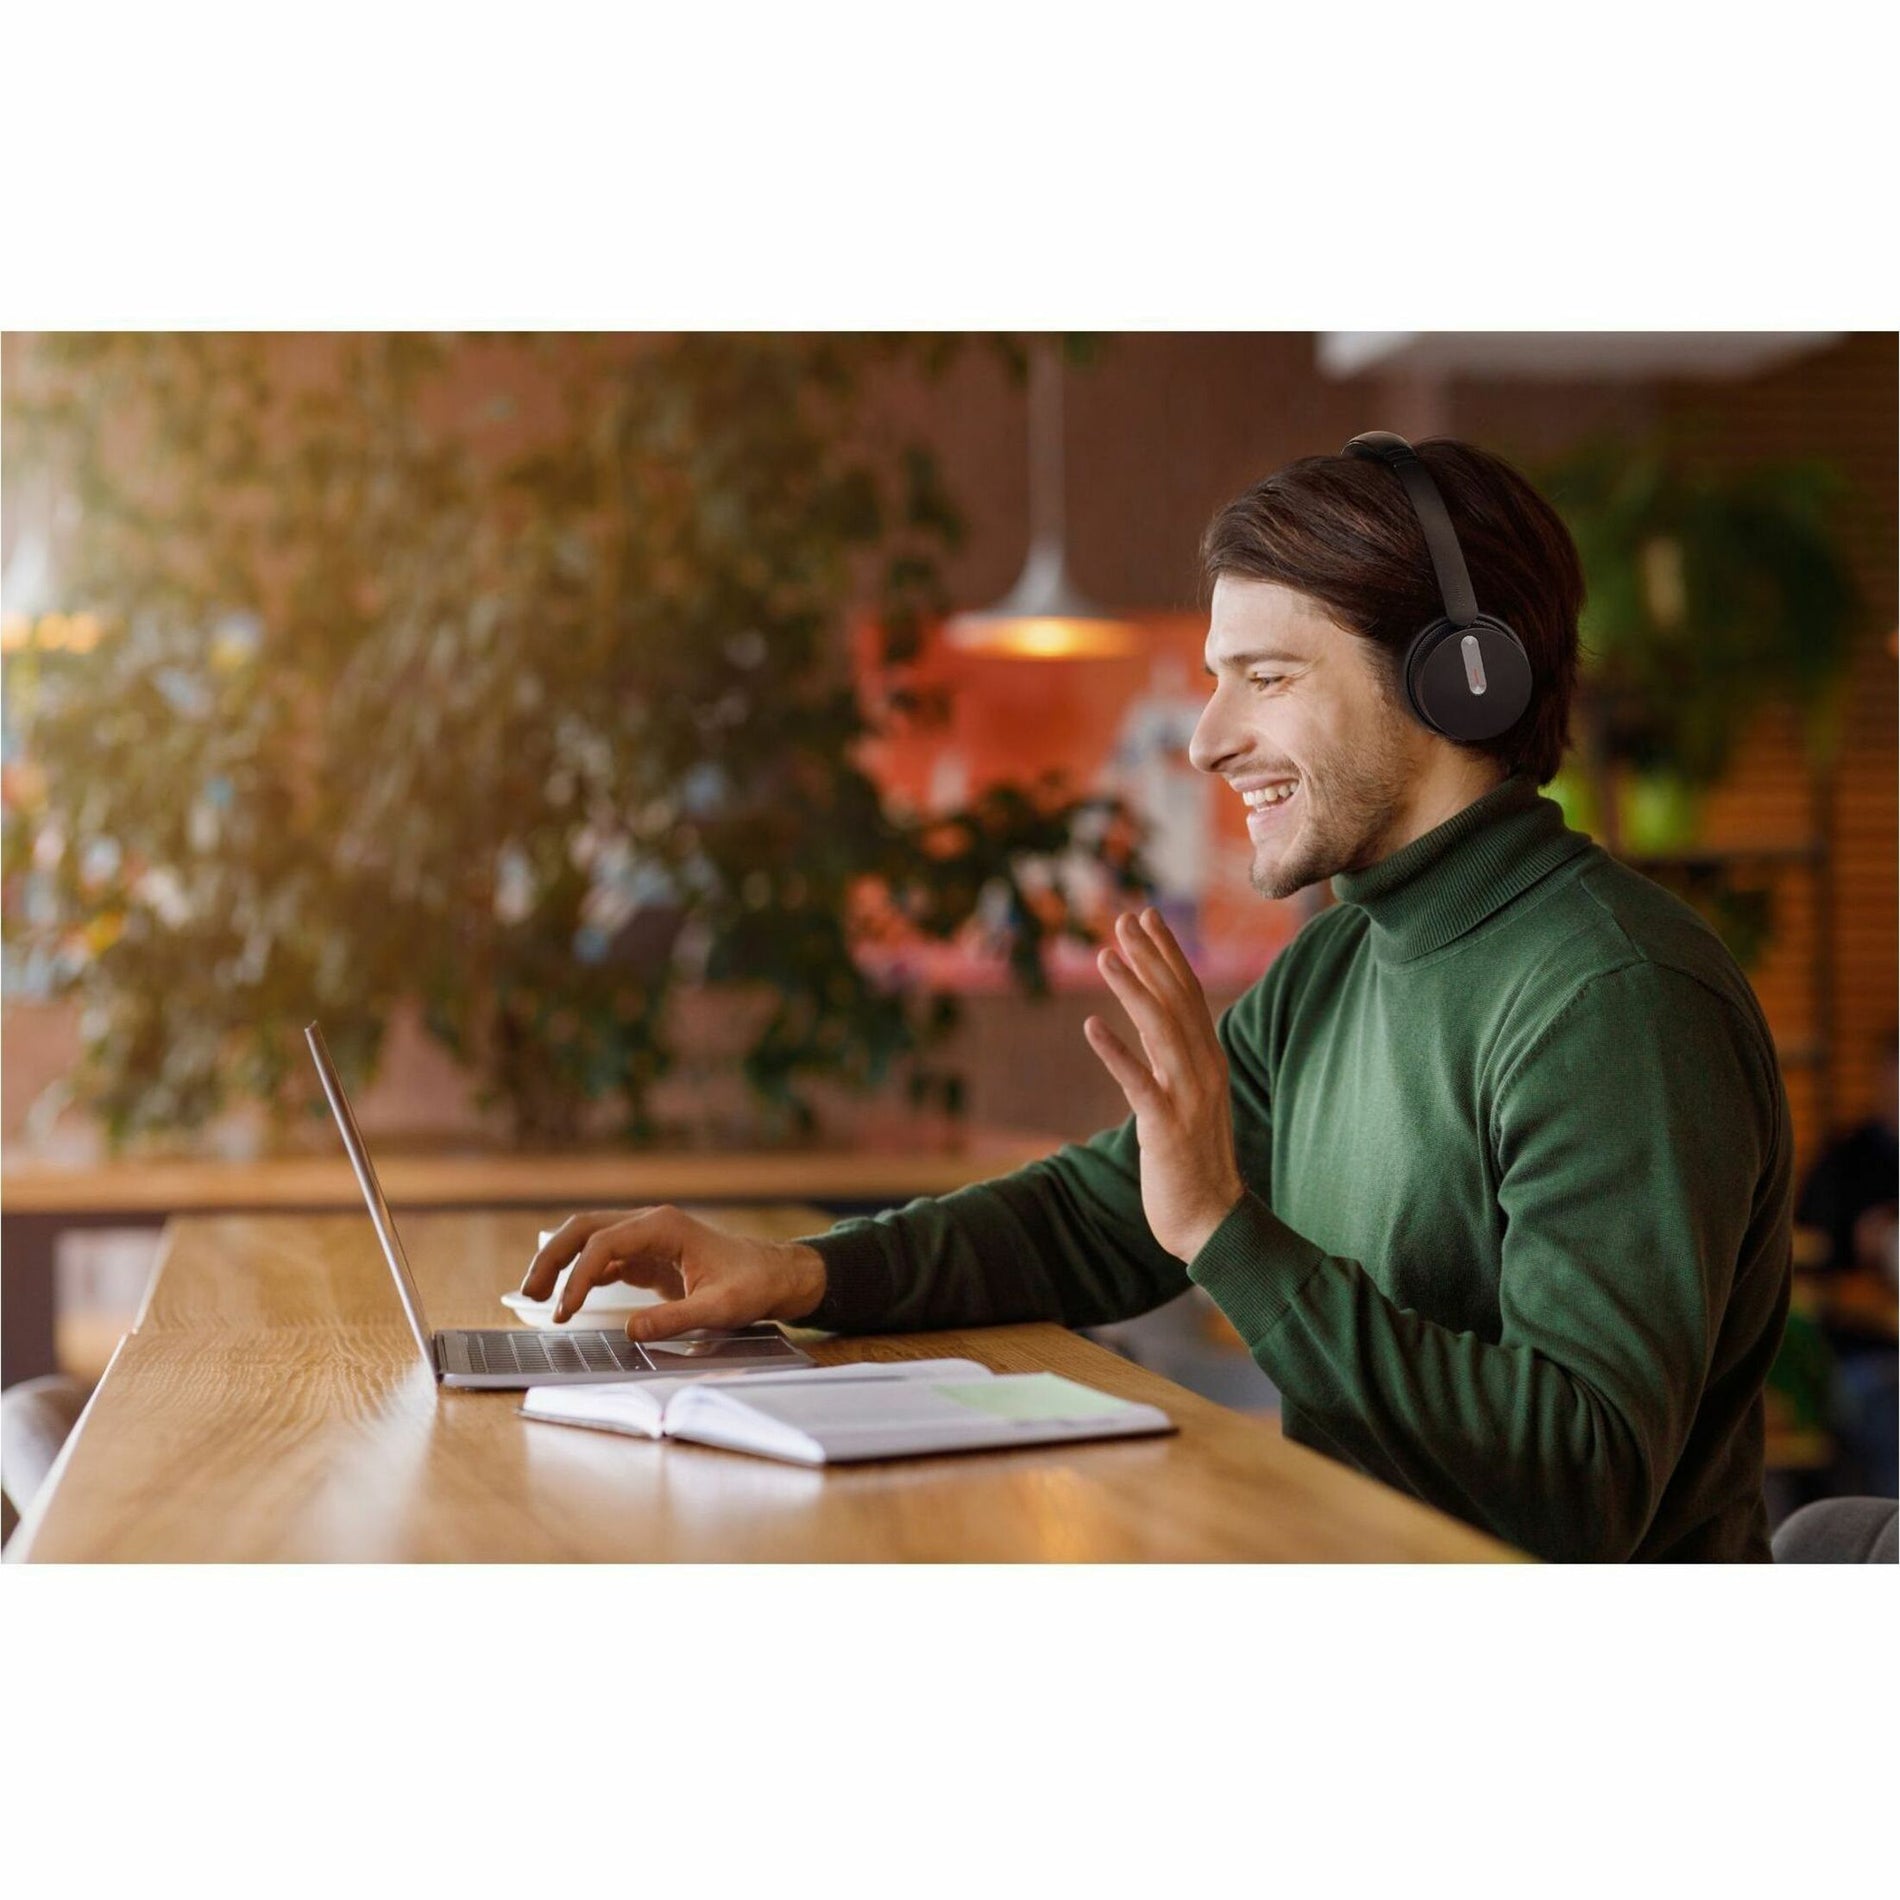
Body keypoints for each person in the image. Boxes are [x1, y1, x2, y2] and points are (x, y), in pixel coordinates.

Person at [522, 436, 1794, 1563]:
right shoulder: (1339, 966)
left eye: (1267, 675)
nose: (1205, 738)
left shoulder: (1611, 1000)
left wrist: (1229, 1233)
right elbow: (1103, 1212)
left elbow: (1581, 1489)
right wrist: (795, 1273)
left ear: (1455, 678)